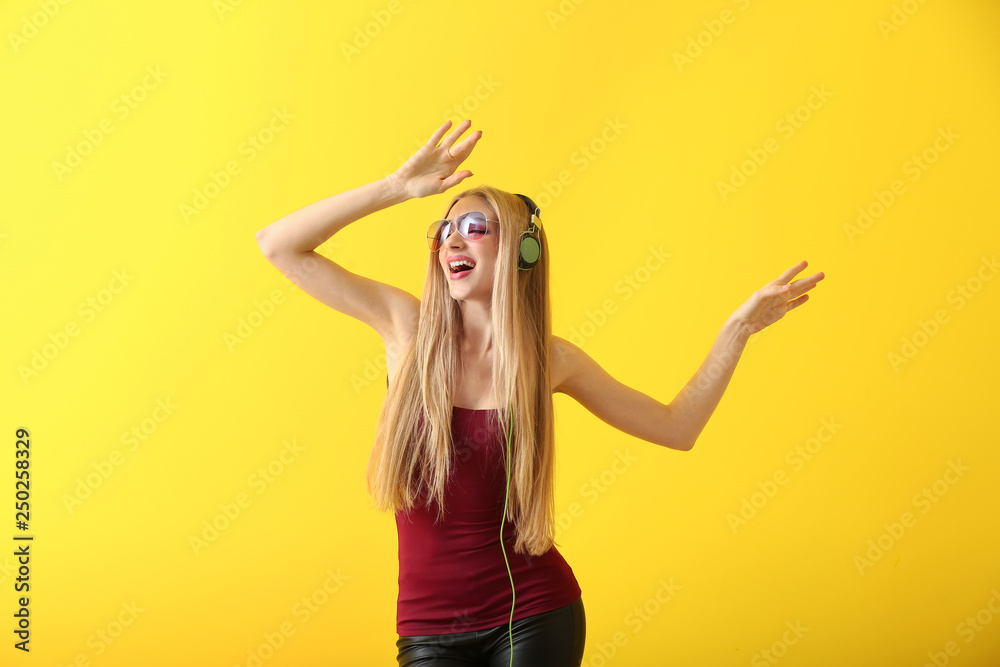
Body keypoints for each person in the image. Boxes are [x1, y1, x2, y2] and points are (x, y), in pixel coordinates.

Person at [255, 119, 825, 666]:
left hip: (534, 614)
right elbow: (278, 245)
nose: (454, 240)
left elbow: (678, 428)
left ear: (522, 252)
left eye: (476, 228)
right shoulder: (404, 327)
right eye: (446, 231)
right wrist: (395, 187)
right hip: (428, 629)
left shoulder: (549, 360)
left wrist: (737, 333)